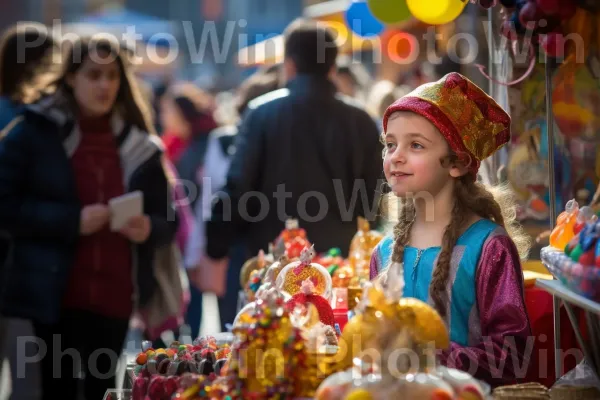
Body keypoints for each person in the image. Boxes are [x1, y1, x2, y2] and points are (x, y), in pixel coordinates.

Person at [0, 36, 177, 400]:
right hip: (54, 297)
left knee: (102, 391)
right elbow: (5, 205)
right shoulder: (34, 131)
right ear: (69, 78)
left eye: (112, 76)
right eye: (93, 75)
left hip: (116, 298)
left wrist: (148, 229)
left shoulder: (140, 143)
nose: (104, 86)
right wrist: (71, 221)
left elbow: (168, 220)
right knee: (57, 391)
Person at [369, 72, 533, 387]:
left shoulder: (489, 247)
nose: (396, 157)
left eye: (415, 145)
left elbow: (513, 356)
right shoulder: (383, 252)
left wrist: (430, 357)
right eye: (390, 145)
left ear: (456, 163)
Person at [200, 19, 383, 296]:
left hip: (274, 265)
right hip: (339, 267)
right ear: (333, 67)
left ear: (289, 65)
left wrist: (215, 247)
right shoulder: (362, 120)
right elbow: (374, 197)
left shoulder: (261, 113)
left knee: (274, 336)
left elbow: (238, 188)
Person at [186, 68, 280, 331]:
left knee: (237, 327)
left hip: (240, 250)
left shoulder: (227, 141)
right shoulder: (224, 141)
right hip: (235, 252)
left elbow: (210, 201)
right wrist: (198, 254)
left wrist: (200, 252)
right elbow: (208, 200)